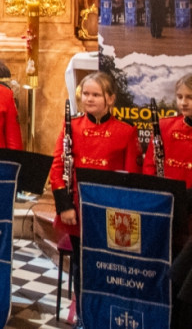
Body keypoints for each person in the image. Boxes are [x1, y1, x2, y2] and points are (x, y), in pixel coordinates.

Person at [49, 72, 139, 321]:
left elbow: (130, 177)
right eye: (85, 94)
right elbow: (58, 169)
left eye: (96, 95)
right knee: (82, 266)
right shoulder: (72, 127)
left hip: (112, 213)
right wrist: (64, 206)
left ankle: (109, 313)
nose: (89, 99)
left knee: (110, 266)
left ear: (110, 99)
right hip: (77, 211)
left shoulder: (126, 131)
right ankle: (84, 314)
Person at [143, 73, 192, 186]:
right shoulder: (164, 126)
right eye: (180, 97)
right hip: (169, 194)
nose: (183, 103)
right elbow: (149, 165)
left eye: (190, 97)